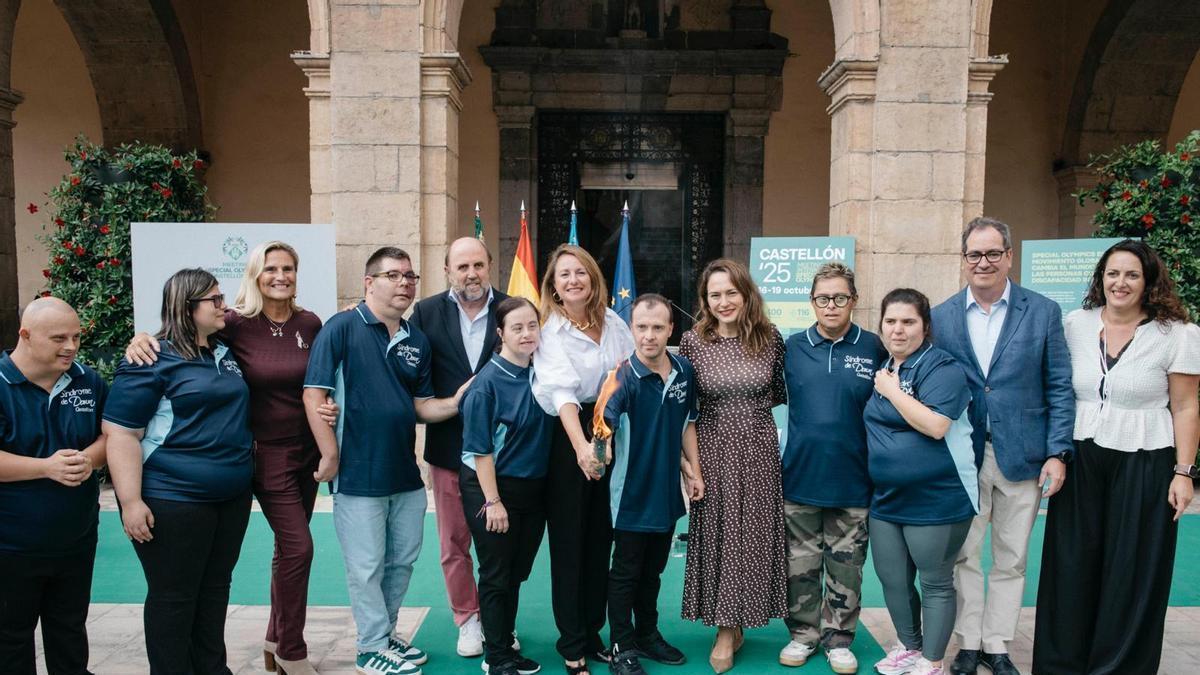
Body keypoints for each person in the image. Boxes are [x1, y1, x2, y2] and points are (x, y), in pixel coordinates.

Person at [124, 241, 330, 675]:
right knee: (296, 549)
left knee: (237, 577)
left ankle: (257, 648)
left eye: (288, 267)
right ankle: (289, 649)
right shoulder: (231, 325)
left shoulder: (305, 324)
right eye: (270, 268)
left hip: (285, 461)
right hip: (237, 465)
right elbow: (172, 341)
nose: (281, 275)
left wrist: (329, 411)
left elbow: (320, 380)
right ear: (254, 275)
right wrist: (141, 338)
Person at [1033, 239, 1198, 675]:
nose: (1120, 282)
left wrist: (1184, 472)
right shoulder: (1075, 324)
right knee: (1071, 563)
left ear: (1148, 283)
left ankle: (1119, 666)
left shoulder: (1177, 334)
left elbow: (1185, 406)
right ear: (1100, 278)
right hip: (1081, 455)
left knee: (1133, 566)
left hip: (1146, 458)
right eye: (1112, 273)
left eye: (1131, 274)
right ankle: (1062, 664)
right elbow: (1057, 390)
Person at [302, 246, 466, 675]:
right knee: (367, 564)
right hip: (357, 474)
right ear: (369, 282)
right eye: (393, 275)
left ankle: (385, 633)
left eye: (410, 276)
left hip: (405, 475)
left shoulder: (415, 339)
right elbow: (314, 394)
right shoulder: (340, 327)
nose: (404, 284)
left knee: (401, 560)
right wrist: (330, 454)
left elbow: (422, 406)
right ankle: (370, 646)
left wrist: (458, 402)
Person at [931, 217, 1073, 675]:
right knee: (965, 554)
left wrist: (1057, 451)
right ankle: (968, 643)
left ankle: (997, 644)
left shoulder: (1044, 311)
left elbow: (1059, 387)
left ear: (1010, 256)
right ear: (963, 259)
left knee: (1012, 557)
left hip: (1024, 454)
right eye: (975, 254)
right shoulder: (942, 316)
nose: (984, 262)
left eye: (993, 253)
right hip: (963, 456)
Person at [103, 269, 254, 674]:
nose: (225, 306)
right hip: (173, 499)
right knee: (174, 598)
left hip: (231, 498)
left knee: (214, 590)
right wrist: (131, 502)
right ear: (187, 307)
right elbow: (120, 434)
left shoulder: (225, 350)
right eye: (215, 300)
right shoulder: (151, 357)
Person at [679, 258, 788, 674]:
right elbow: (685, 407)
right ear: (705, 300)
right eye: (714, 295)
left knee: (752, 538)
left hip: (759, 451)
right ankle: (725, 627)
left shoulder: (771, 339)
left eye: (731, 293)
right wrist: (689, 464)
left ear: (746, 294)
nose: (723, 302)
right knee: (720, 535)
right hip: (711, 449)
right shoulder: (693, 342)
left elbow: (778, 392)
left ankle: (737, 621)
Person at [531, 244, 634, 675]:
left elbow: (630, 370)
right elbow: (562, 394)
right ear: (553, 286)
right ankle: (571, 642)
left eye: (580, 272)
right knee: (571, 546)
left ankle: (593, 634)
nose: (573, 280)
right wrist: (582, 450)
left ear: (593, 277)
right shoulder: (550, 330)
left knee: (600, 541)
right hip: (567, 435)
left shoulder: (612, 321)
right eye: (564, 275)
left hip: (610, 430)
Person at [778, 263, 885, 675]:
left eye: (840, 297)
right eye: (823, 298)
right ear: (812, 302)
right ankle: (803, 635)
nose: (832, 306)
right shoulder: (792, 347)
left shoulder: (873, 347)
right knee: (800, 566)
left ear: (853, 301)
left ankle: (839, 639)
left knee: (847, 568)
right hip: (800, 477)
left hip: (854, 481)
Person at [866, 288, 977, 675]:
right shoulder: (885, 368)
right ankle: (910, 647)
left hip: (937, 497)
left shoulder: (942, 368)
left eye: (908, 321)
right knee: (892, 578)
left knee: (934, 581)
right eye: (891, 321)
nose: (898, 330)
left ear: (925, 327)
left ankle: (932, 661)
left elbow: (935, 425)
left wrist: (892, 392)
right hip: (887, 498)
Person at [409, 237, 509, 658]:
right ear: (448, 269)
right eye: (462, 266)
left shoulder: (511, 309)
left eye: (478, 265)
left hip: (503, 452)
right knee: (454, 542)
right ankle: (468, 620)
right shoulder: (426, 312)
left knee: (499, 545)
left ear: (490, 266)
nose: (471, 274)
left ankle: (500, 621)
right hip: (448, 451)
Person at [0, 297, 107, 675]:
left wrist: (89, 459)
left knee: (69, 632)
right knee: (10, 640)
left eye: (77, 337)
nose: (71, 347)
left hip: (76, 539)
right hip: (11, 545)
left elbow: (111, 436)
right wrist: (46, 468)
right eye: (59, 338)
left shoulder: (88, 380)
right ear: (25, 336)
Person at [601, 294, 704, 675]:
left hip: (666, 495)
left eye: (657, 327)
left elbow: (687, 423)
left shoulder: (684, 370)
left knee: (653, 571)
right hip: (629, 497)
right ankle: (621, 645)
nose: (649, 336)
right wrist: (601, 446)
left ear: (671, 330)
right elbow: (602, 432)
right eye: (642, 327)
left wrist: (693, 470)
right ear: (632, 330)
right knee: (626, 573)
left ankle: (646, 634)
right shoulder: (620, 378)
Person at [459, 296, 550, 675]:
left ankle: (505, 642)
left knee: (517, 571)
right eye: (517, 328)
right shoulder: (487, 385)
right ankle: (496, 656)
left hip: (533, 489)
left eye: (532, 325)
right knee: (497, 572)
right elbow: (480, 451)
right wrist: (493, 502)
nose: (527, 334)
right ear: (500, 334)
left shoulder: (542, 372)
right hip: (492, 488)